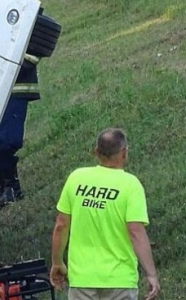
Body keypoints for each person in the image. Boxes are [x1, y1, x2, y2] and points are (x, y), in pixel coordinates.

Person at [51, 128, 160, 300]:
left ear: (96, 152)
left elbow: (61, 226)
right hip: (119, 280)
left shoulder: (76, 178)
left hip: (82, 280)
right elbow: (135, 231)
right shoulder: (130, 185)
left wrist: (57, 263)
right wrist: (151, 274)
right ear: (124, 153)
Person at [0, 53, 40, 208]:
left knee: (6, 140)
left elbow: (40, 38)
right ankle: (3, 193)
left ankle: (11, 188)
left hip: (14, 86)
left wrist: (20, 62)